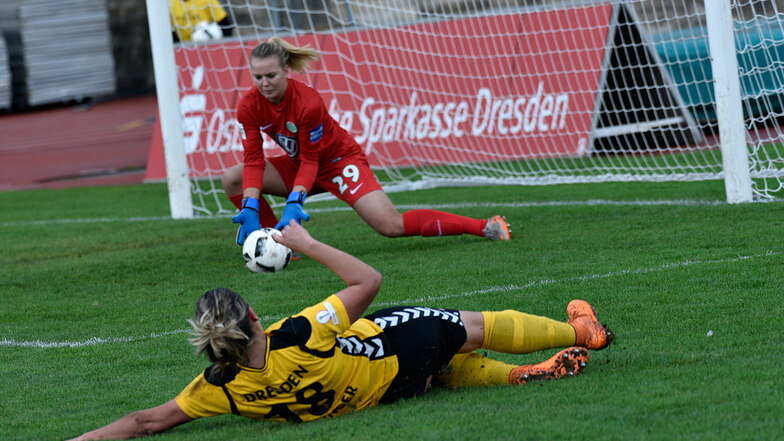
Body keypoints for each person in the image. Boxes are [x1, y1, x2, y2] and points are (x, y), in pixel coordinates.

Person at [67, 222, 612, 440]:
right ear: (252, 317)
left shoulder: (219, 387)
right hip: (391, 355)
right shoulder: (297, 332)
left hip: (381, 396)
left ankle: (518, 376)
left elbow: (146, 421)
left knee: (442, 373)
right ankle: (579, 333)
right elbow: (368, 279)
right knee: (464, 326)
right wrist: (306, 245)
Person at [226, 37, 512, 247]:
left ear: (287, 70)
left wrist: (295, 199)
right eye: (258, 77)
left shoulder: (307, 102)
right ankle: (274, 246)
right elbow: (253, 158)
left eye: (271, 75)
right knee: (234, 178)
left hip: (338, 162)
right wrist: (250, 203)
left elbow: (313, 159)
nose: (264, 83)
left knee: (390, 225)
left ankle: (485, 226)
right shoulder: (248, 105)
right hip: (298, 165)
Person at [169, 0, 234, 43]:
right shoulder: (169, 3)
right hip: (184, 48)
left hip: (210, 45)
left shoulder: (207, 1)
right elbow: (169, 32)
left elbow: (225, 24)